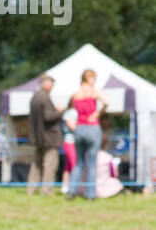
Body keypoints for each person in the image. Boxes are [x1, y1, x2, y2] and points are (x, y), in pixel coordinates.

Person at [67, 69, 109, 200]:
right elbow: (107, 102)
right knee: (92, 163)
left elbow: (72, 110)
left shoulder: (75, 95)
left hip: (79, 128)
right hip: (92, 127)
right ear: (91, 79)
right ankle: (90, 194)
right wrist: (98, 113)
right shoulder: (94, 92)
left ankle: (71, 191)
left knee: (79, 162)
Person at [27, 75, 63, 195]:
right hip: (49, 138)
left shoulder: (35, 97)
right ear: (45, 83)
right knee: (50, 165)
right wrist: (59, 112)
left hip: (38, 138)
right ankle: (47, 190)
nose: (52, 86)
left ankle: (30, 189)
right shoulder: (44, 97)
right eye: (52, 84)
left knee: (36, 164)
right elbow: (48, 117)